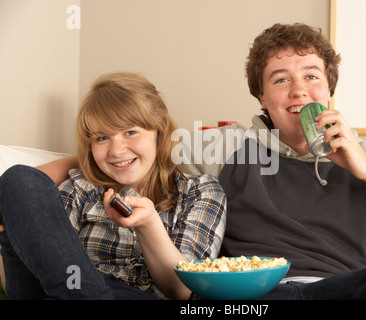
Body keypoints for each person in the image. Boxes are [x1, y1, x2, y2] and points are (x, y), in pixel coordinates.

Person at [28, 23, 366, 299]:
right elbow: (129, 153)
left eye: (311, 76)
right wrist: (23, 195)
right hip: (249, 301)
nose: (299, 91)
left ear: (329, 88)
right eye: (281, 80)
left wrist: (365, 169)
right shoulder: (226, 147)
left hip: (344, 290)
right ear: (262, 98)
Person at [0, 72, 226, 299]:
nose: (116, 151)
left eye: (130, 132)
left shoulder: (200, 191)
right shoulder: (80, 188)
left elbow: (184, 291)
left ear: (160, 132)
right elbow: (54, 261)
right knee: (18, 178)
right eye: (102, 138)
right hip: (71, 288)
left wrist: (148, 224)